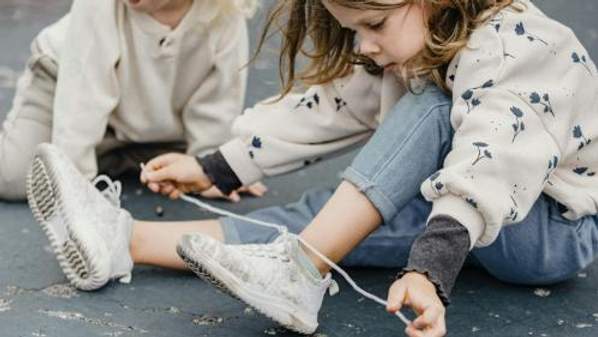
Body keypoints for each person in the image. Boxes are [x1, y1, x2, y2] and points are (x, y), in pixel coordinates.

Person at [27, 0, 598, 336]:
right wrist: (218, 167)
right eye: (352, 29)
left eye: (373, 25)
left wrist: (431, 268)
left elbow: (493, 158)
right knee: (333, 216)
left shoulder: (515, 46)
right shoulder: (419, 45)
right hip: (464, 212)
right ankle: (121, 241)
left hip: (547, 231)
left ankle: (302, 270)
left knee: (430, 109)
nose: (365, 45)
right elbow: (329, 108)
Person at [0, 0, 264, 201]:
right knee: (17, 176)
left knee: (175, 166)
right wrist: (75, 183)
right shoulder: (100, 7)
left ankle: (114, 151)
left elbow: (218, 99)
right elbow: (82, 100)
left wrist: (211, 168)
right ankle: (104, 152)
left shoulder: (224, 14)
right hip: (62, 84)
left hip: (154, 117)